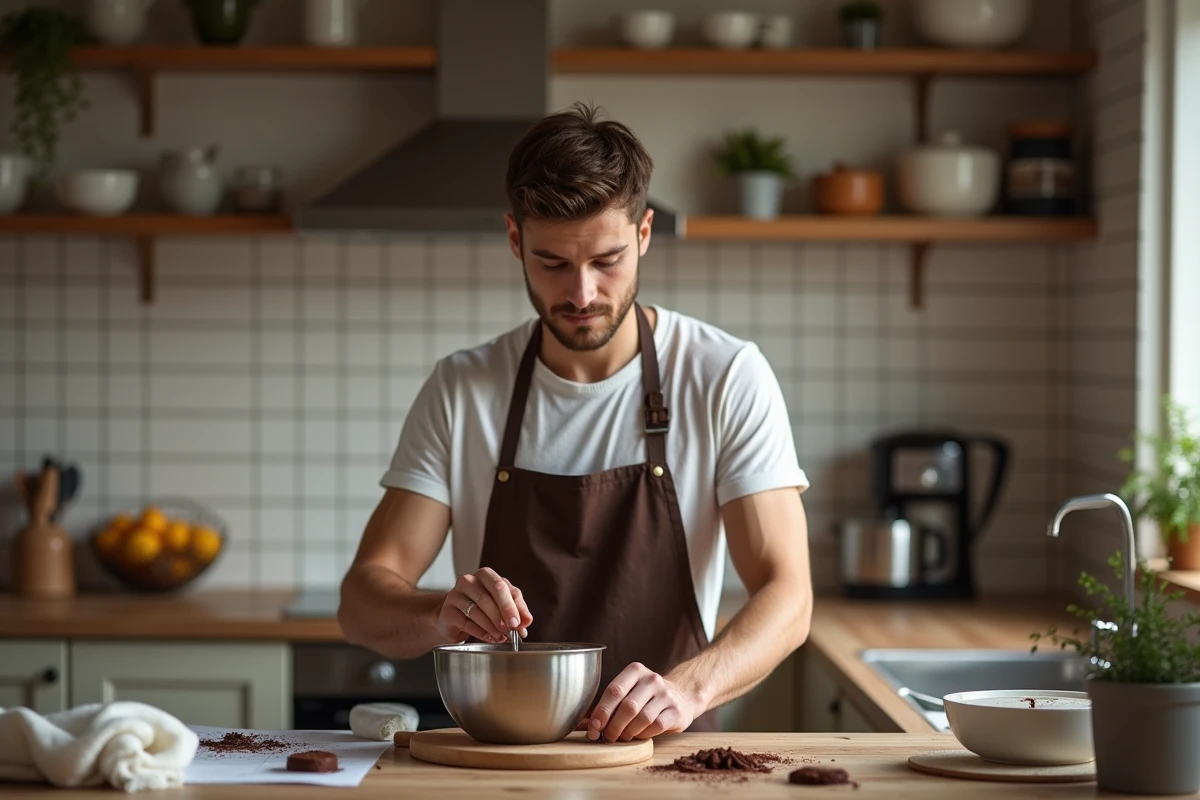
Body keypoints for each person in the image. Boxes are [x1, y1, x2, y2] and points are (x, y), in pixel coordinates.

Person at [339, 101, 813, 742]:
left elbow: (788, 596)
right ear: (515, 240)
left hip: (666, 758)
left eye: (607, 260)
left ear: (644, 234)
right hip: (501, 757)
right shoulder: (463, 389)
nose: (583, 294)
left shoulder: (725, 376)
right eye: (554, 264)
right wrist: (437, 612)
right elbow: (362, 600)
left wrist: (686, 690)